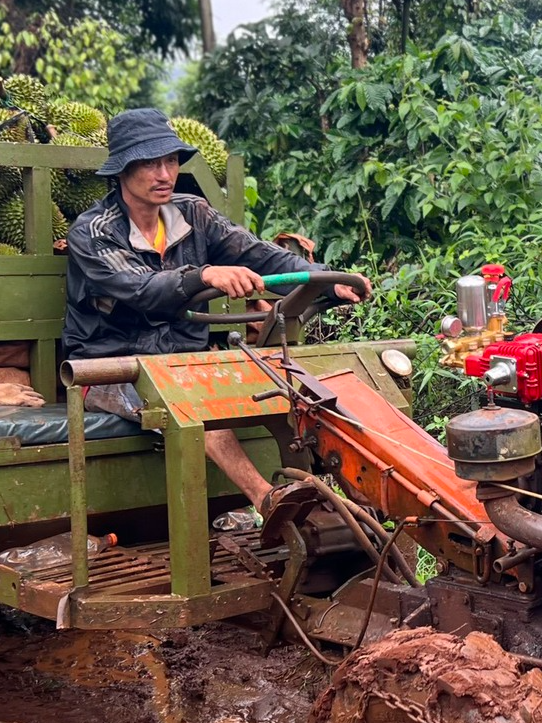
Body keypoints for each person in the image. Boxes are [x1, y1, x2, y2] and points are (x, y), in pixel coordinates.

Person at [62, 107, 369, 508]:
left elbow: (261, 255)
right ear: (122, 171)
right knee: (190, 402)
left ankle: (353, 503)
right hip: (111, 367)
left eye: (170, 161)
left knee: (295, 387)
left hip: (185, 360)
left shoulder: (192, 212)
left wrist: (327, 279)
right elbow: (141, 289)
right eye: (150, 163)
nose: (164, 174)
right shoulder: (93, 232)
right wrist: (203, 275)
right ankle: (267, 501)